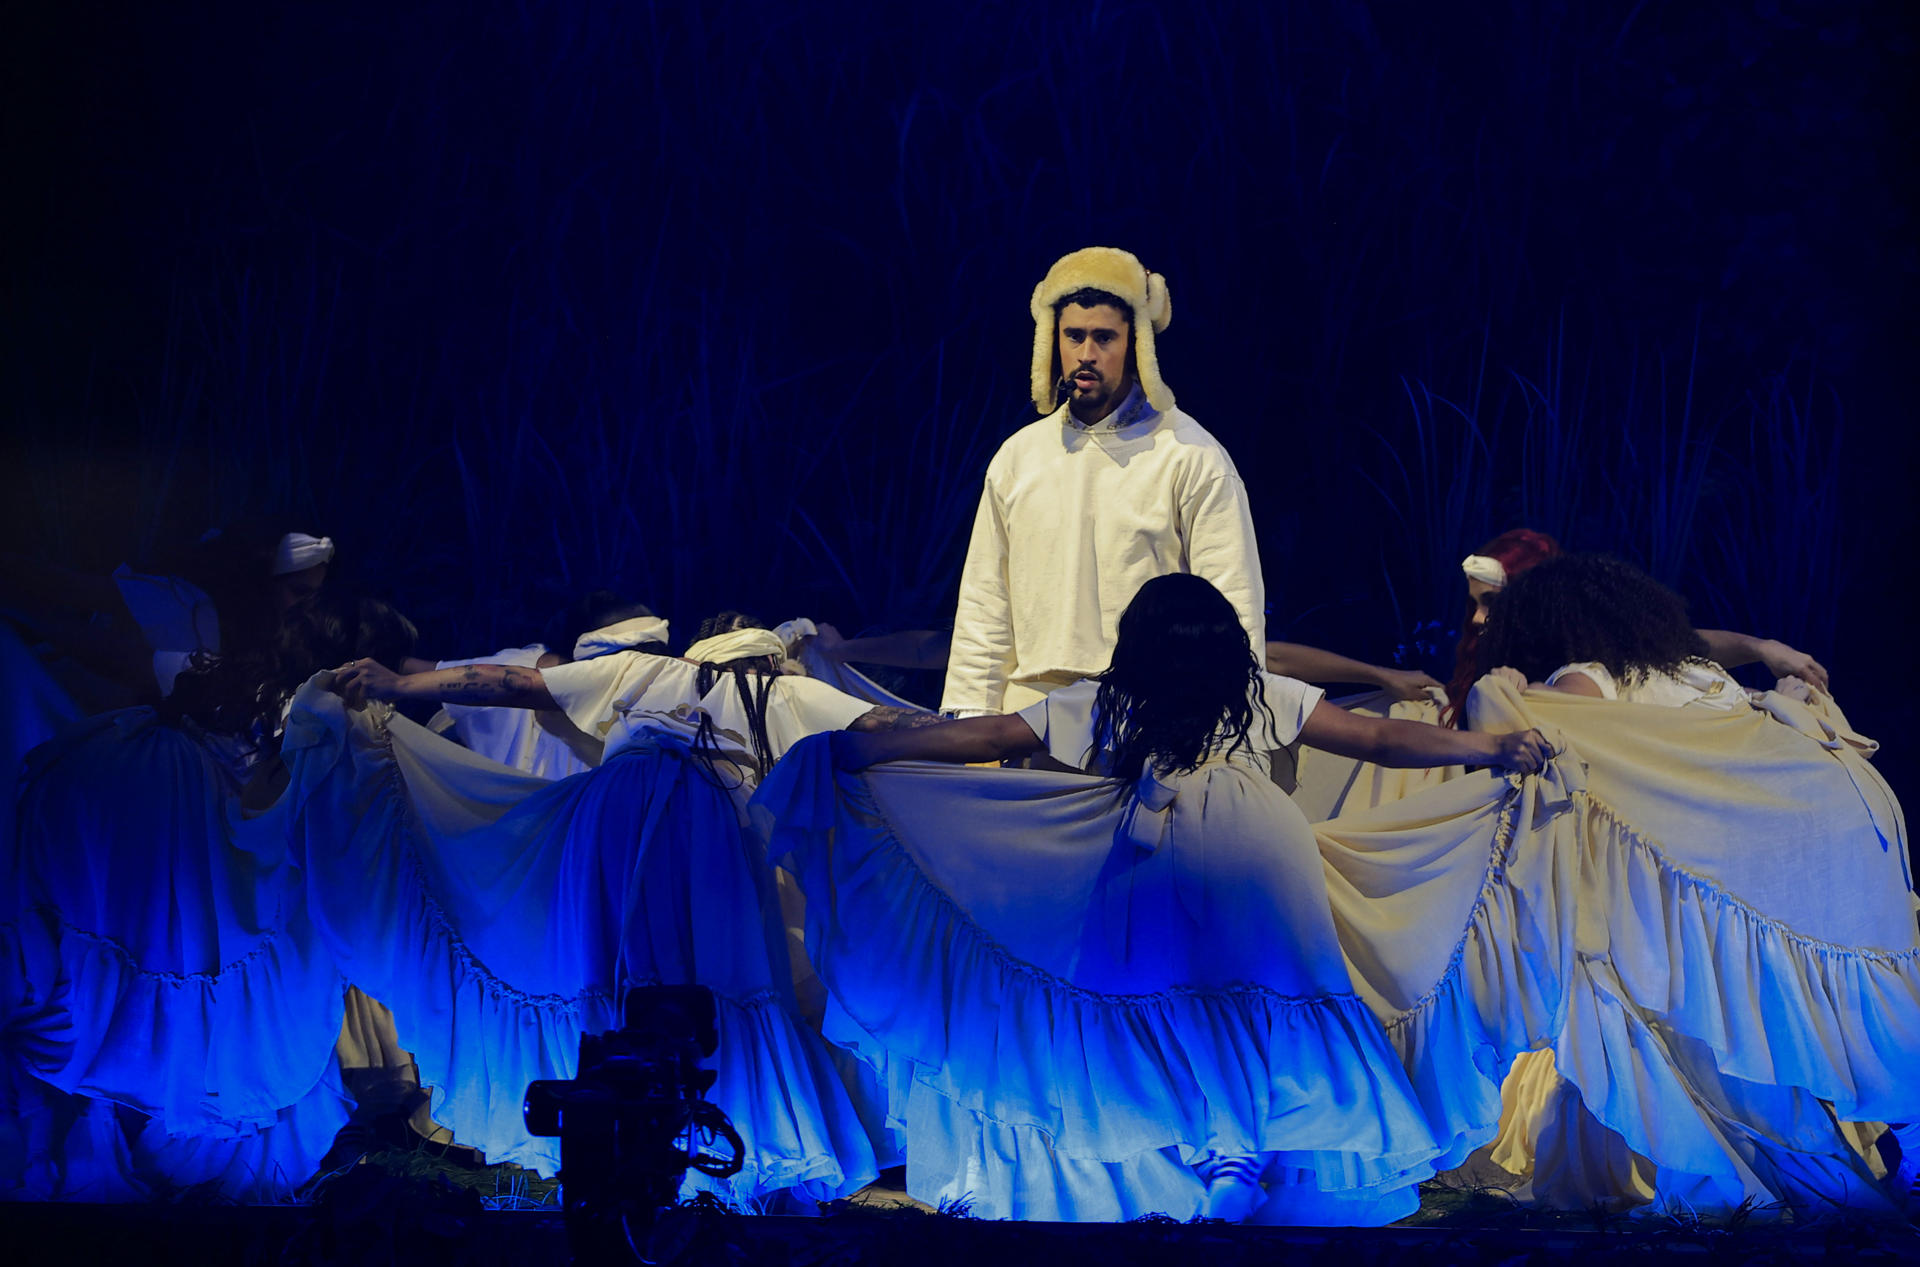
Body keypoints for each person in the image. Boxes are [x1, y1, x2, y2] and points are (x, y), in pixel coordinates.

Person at [759, 574, 1549, 1223]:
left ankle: (1204, 1157)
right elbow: (1378, 738)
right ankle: (1239, 1156)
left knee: (1162, 1003)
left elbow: (988, 737)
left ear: (1136, 642)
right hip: (1257, 846)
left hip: (1145, 853)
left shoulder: (1106, 700)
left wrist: (865, 748)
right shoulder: (1257, 693)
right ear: (1224, 643)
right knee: (1256, 1002)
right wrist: (1489, 747)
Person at [313, 612, 935, 1204]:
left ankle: (622, 1139)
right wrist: (980, 727)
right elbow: (894, 725)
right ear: (769, 660)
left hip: (607, 815)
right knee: (710, 980)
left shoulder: (648, 671)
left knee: (617, 975)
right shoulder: (781, 694)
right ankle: (705, 1145)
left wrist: (399, 685)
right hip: (705, 819)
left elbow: (514, 682)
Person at [940, 247, 1264, 717]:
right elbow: (985, 606)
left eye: (1104, 338)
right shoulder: (1019, 457)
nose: (1086, 355)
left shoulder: (1189, 454)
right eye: (1074, 336)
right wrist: (971, 718)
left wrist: (1228, 729)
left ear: (1136, 344)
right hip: (1027, 714)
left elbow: (1233, 605)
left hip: (1150, 713)